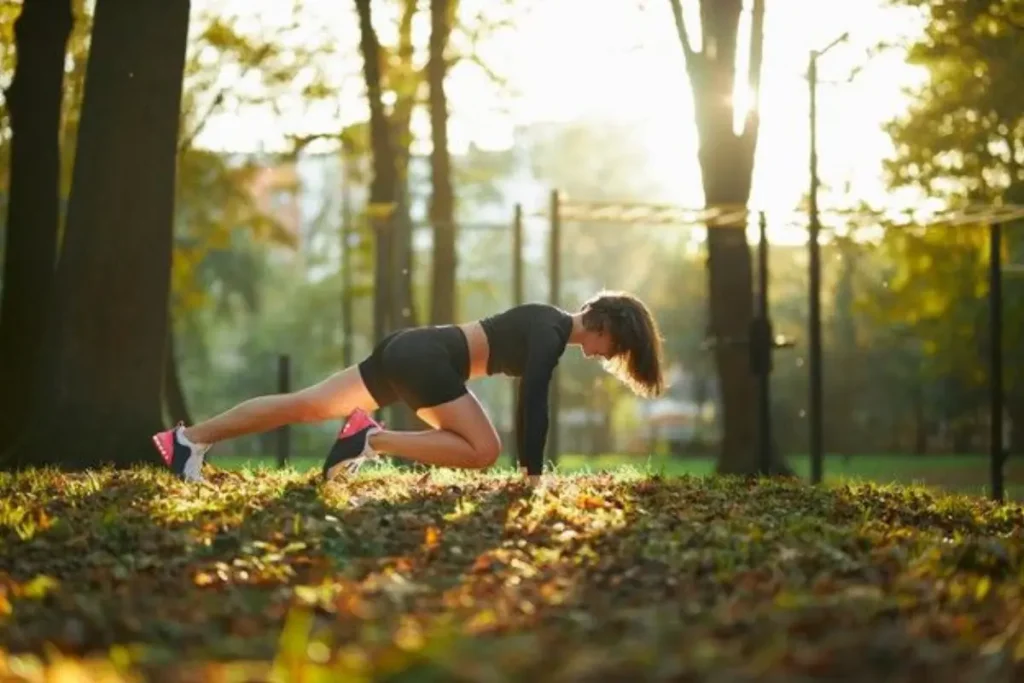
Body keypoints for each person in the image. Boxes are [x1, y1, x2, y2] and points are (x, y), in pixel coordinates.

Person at [152, 290, 666, 483]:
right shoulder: (552, 331)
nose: (607, 357)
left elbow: (531, 399)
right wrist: (532, 476)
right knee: (484, 450)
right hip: (425, 358)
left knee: (305, 405)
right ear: (603, 325)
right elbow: (533, 401)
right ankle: (369, 440)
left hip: (413, 349)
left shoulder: (548, 324)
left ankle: (187, 441)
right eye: (614, 348)